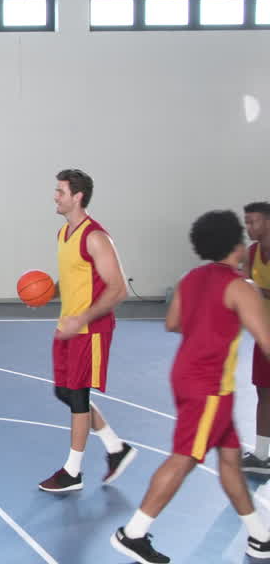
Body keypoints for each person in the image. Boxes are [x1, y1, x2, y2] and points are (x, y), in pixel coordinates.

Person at [111, 210, 270, 563]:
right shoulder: (241, 288)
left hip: (190, 378)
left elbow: (173, 323)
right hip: (209, 387)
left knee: (229, 461)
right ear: (236, 245)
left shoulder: (190, 278)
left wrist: (209, 325)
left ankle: (260, 537)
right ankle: (133, 533)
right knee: (184, 457)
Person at [39, 169, 136, 493]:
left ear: (77, 196)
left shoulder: (95, 237)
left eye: (60, 191)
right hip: (67, 328)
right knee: (64, 392)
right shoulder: (63, 235)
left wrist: (82, 319)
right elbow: (70, 281)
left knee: (78, 395)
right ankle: (115, 448)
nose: (56, 196)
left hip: (89, 330)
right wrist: (44, 293)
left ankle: (73, 472)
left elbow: (118, 289)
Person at [242, 201, 270, 474]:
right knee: (263, 392)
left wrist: (258, 291)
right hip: (265, 335)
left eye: (253, 221)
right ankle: (262, 456)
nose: (249, 227)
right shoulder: (252, 253)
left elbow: (256, 290)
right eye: (246, 222)